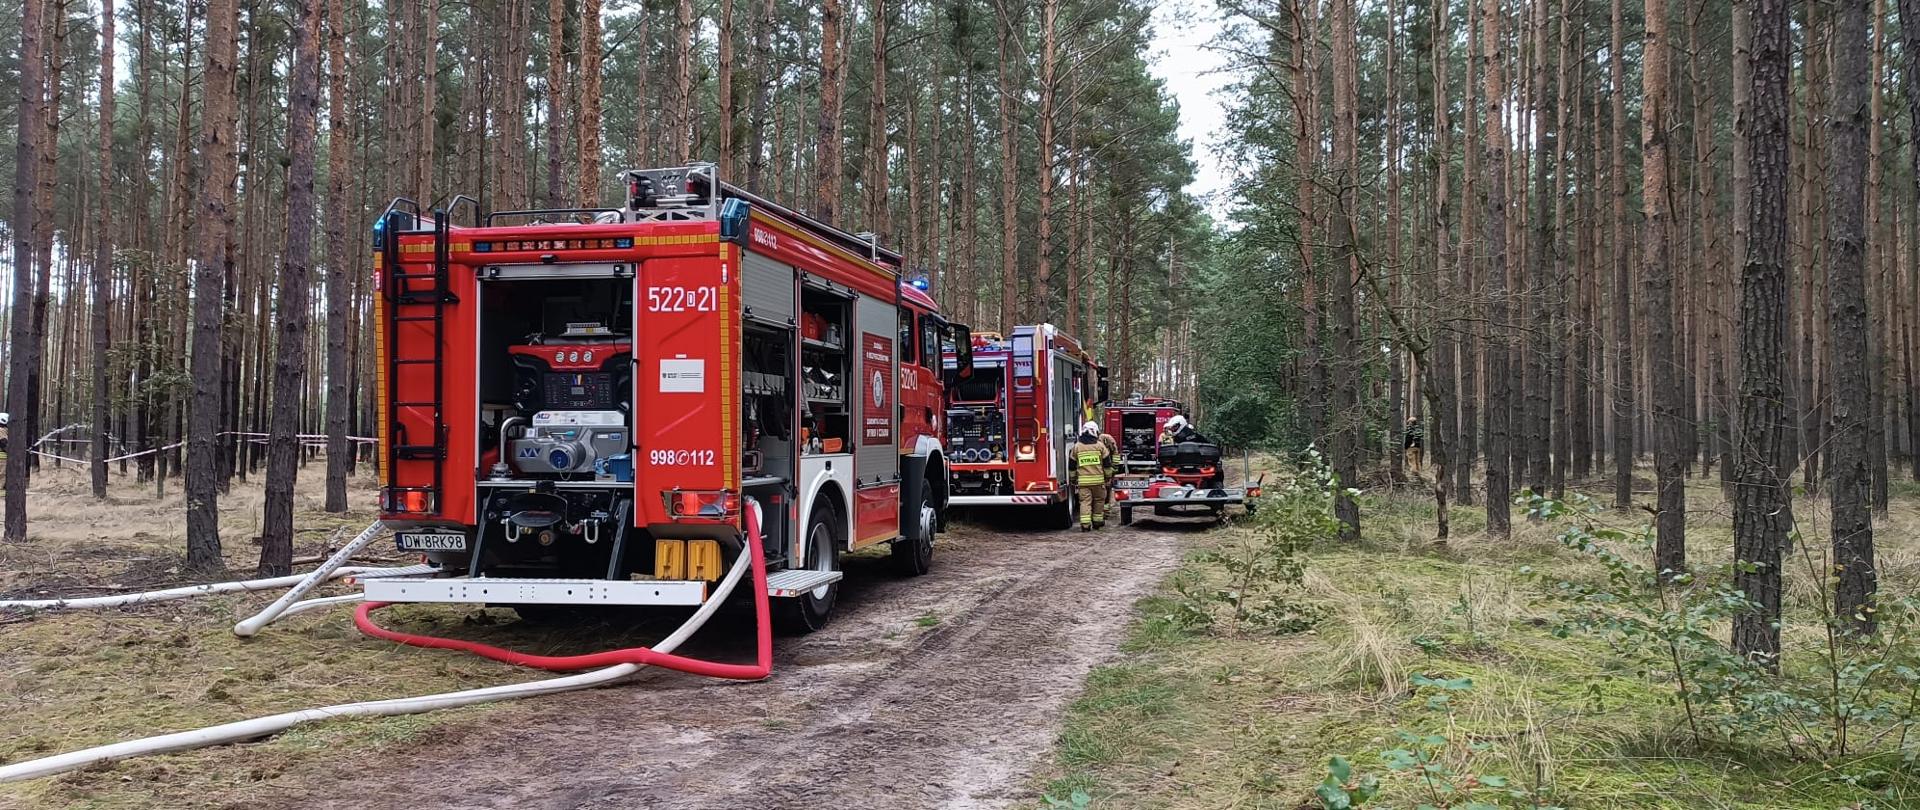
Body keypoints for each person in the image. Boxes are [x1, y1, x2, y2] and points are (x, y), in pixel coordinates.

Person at [1070, 422, 1115, 531]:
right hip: (1098, 482)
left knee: (1085, 502)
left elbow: (1072, 465)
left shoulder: (1077, 447)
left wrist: (1073, 479)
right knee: (1099, 501)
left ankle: (1085, 525)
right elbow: (1107, 464)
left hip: (1083, 483)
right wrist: (1108, 476)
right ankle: (1097, 522)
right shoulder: (1100, 446)